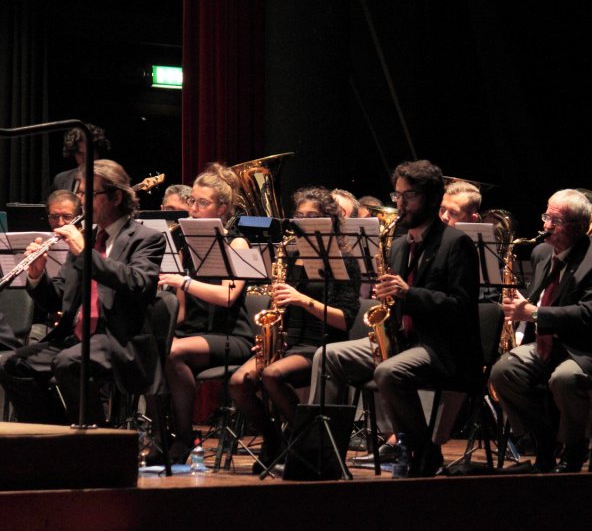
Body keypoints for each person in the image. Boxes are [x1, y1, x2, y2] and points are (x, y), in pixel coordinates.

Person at [309, 159, 481, 477]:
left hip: (443, 347)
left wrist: (407, 294)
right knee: (327, 355)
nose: (400, 204)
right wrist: (387, 303)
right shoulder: (399, 245)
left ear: (431, 198)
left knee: (388, 372)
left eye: (408, 196)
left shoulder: (457, 244)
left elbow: (461, 306)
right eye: (397, 196)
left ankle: (424, 450)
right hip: (404, 340)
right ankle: (324, 452)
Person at [0, 159, 165, 424]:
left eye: (90, 194)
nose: (82, 201)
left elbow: (138, 284)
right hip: (76, 337)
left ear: (116, 197)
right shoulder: (86, 238)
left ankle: (97, 442)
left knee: (69, 363)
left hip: (119, 338)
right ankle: (57, 435)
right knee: (10, 365)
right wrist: (37, 275)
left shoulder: (146, 239)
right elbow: (58, 299)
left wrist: (85, 254)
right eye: (79, 192)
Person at [488, 189, 592, 473]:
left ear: (578, 227)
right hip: (548, 342)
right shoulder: (541, 252)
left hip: (589, 350)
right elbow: (543, 294)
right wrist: (521, 306)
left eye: (555, 220)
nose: (545, 226)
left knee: (564, 378)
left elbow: (590, 315)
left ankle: (574, 450)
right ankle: (544, 442)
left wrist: (535, 314)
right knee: (503, 371)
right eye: (546, 216)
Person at [229, 186, 361, 472]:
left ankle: (303, 442)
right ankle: (275, 440)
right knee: (239, 382)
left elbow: (345, 319)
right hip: (289, 342)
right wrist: (269, 338)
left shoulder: (344, 261)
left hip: (321, 344)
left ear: (330, 219)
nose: (303, 222)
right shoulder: (288, 255)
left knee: (272, 375)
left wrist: (303, 300)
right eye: (299, 216)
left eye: (312, 216)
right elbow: (282, 309)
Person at [157, 162, 254, 463]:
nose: (194, 208)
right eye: (192, 202)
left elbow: (228, 295)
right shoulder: (186, 245)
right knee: (154, 350)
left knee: (173, 352)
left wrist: (183, 280)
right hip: (196, 334)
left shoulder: (237, 242)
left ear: (222, 208)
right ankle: (164, 435)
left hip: (231, 336)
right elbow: (183, 313)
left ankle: (185, 436)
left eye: (202, 202)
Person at [27, 190, 84, 344]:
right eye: (54, 217)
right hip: (60, 327)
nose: (60, 223)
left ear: (80, 216)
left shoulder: (86, 245)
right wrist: (36, 275)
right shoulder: (50, 242)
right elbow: (55, 300)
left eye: (67, 217)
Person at [50, 124, 111, 195]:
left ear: (98, 152)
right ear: (73, 153)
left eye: (89, 152)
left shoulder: (110, 180)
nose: (85, 158)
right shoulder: (60, 179)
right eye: (80, 153)